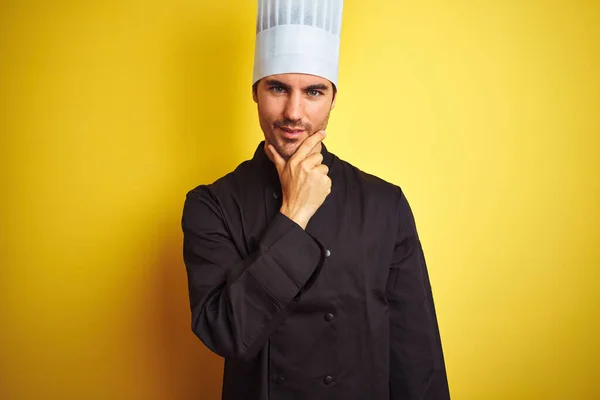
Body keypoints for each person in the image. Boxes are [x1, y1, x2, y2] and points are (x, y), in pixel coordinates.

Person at [181, 1, 450, 399]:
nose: (294, 112)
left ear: (333, 97)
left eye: (313, 92)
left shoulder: (383, 203)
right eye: (278, 88)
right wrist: (295, 213)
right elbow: (226, 332)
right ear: (255, 91)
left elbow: (416, 353)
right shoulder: (212, 205)